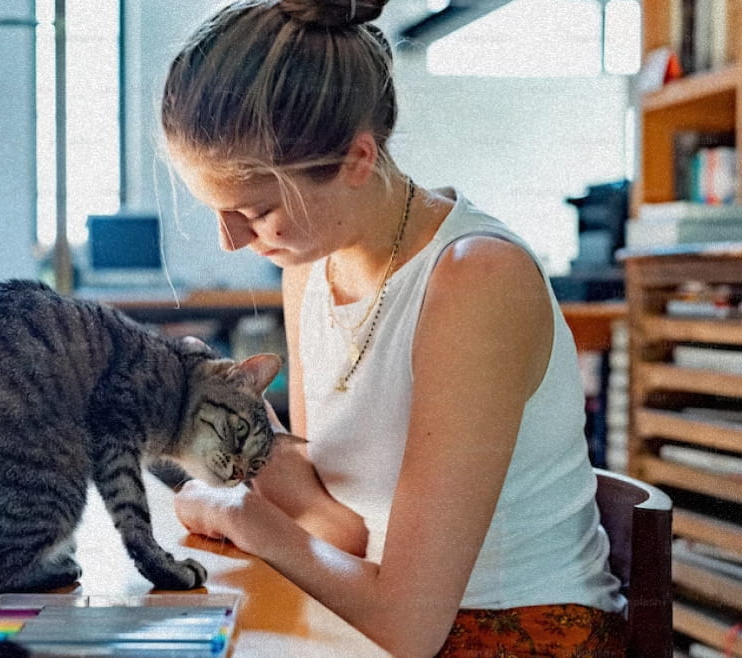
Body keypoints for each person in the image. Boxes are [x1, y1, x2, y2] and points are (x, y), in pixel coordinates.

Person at [160, 0, 627, 656]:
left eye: (256, 211)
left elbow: (410, 625)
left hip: (509, 631)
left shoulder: (474, 280)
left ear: (357, 159)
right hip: (374, 609)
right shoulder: (309, 270)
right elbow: (339, 527)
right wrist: (246, 440)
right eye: (216, 210)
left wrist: (244, 515)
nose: (232, 241)